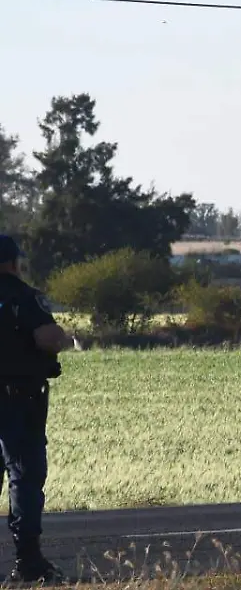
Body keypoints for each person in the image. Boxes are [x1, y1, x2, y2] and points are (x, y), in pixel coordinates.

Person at [0, 234, 72, 583]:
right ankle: (28, 561)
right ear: (13, 263)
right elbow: (48, 337)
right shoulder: (23, 297)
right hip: (18, 400)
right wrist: (62, 340)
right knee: (25, 476)